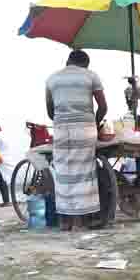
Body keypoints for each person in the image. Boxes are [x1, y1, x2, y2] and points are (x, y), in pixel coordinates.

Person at [45, 50, 108, 230]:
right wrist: (95, 123)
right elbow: (103, 107)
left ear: (68, 61)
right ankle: (84, 219)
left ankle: (65, 221)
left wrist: (63, 120)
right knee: (85, 172)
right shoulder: (91, 76)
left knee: (63, 172)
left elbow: (50, 110)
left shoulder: (52, 79)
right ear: (86, 64)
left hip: (61, 130)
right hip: (85, 129)